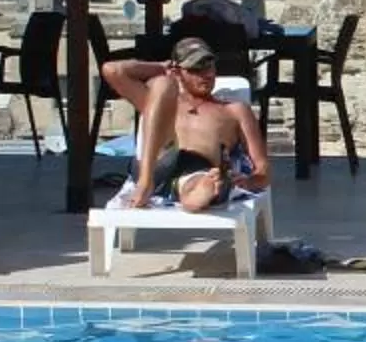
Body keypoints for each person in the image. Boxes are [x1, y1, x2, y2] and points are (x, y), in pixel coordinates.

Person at [101, 36, 271, 212]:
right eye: (197, 69)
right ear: (178, 71)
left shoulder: (234, 110)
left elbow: (262, 168)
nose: (208, 74)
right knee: (162, 84)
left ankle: (203, 190)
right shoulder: (158, 103)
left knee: (201, 184)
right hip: (157, 162)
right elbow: (112, 70)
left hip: (196, 170)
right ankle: (147, 181)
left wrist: (249, 181)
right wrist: (160, 68)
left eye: (210, 66)